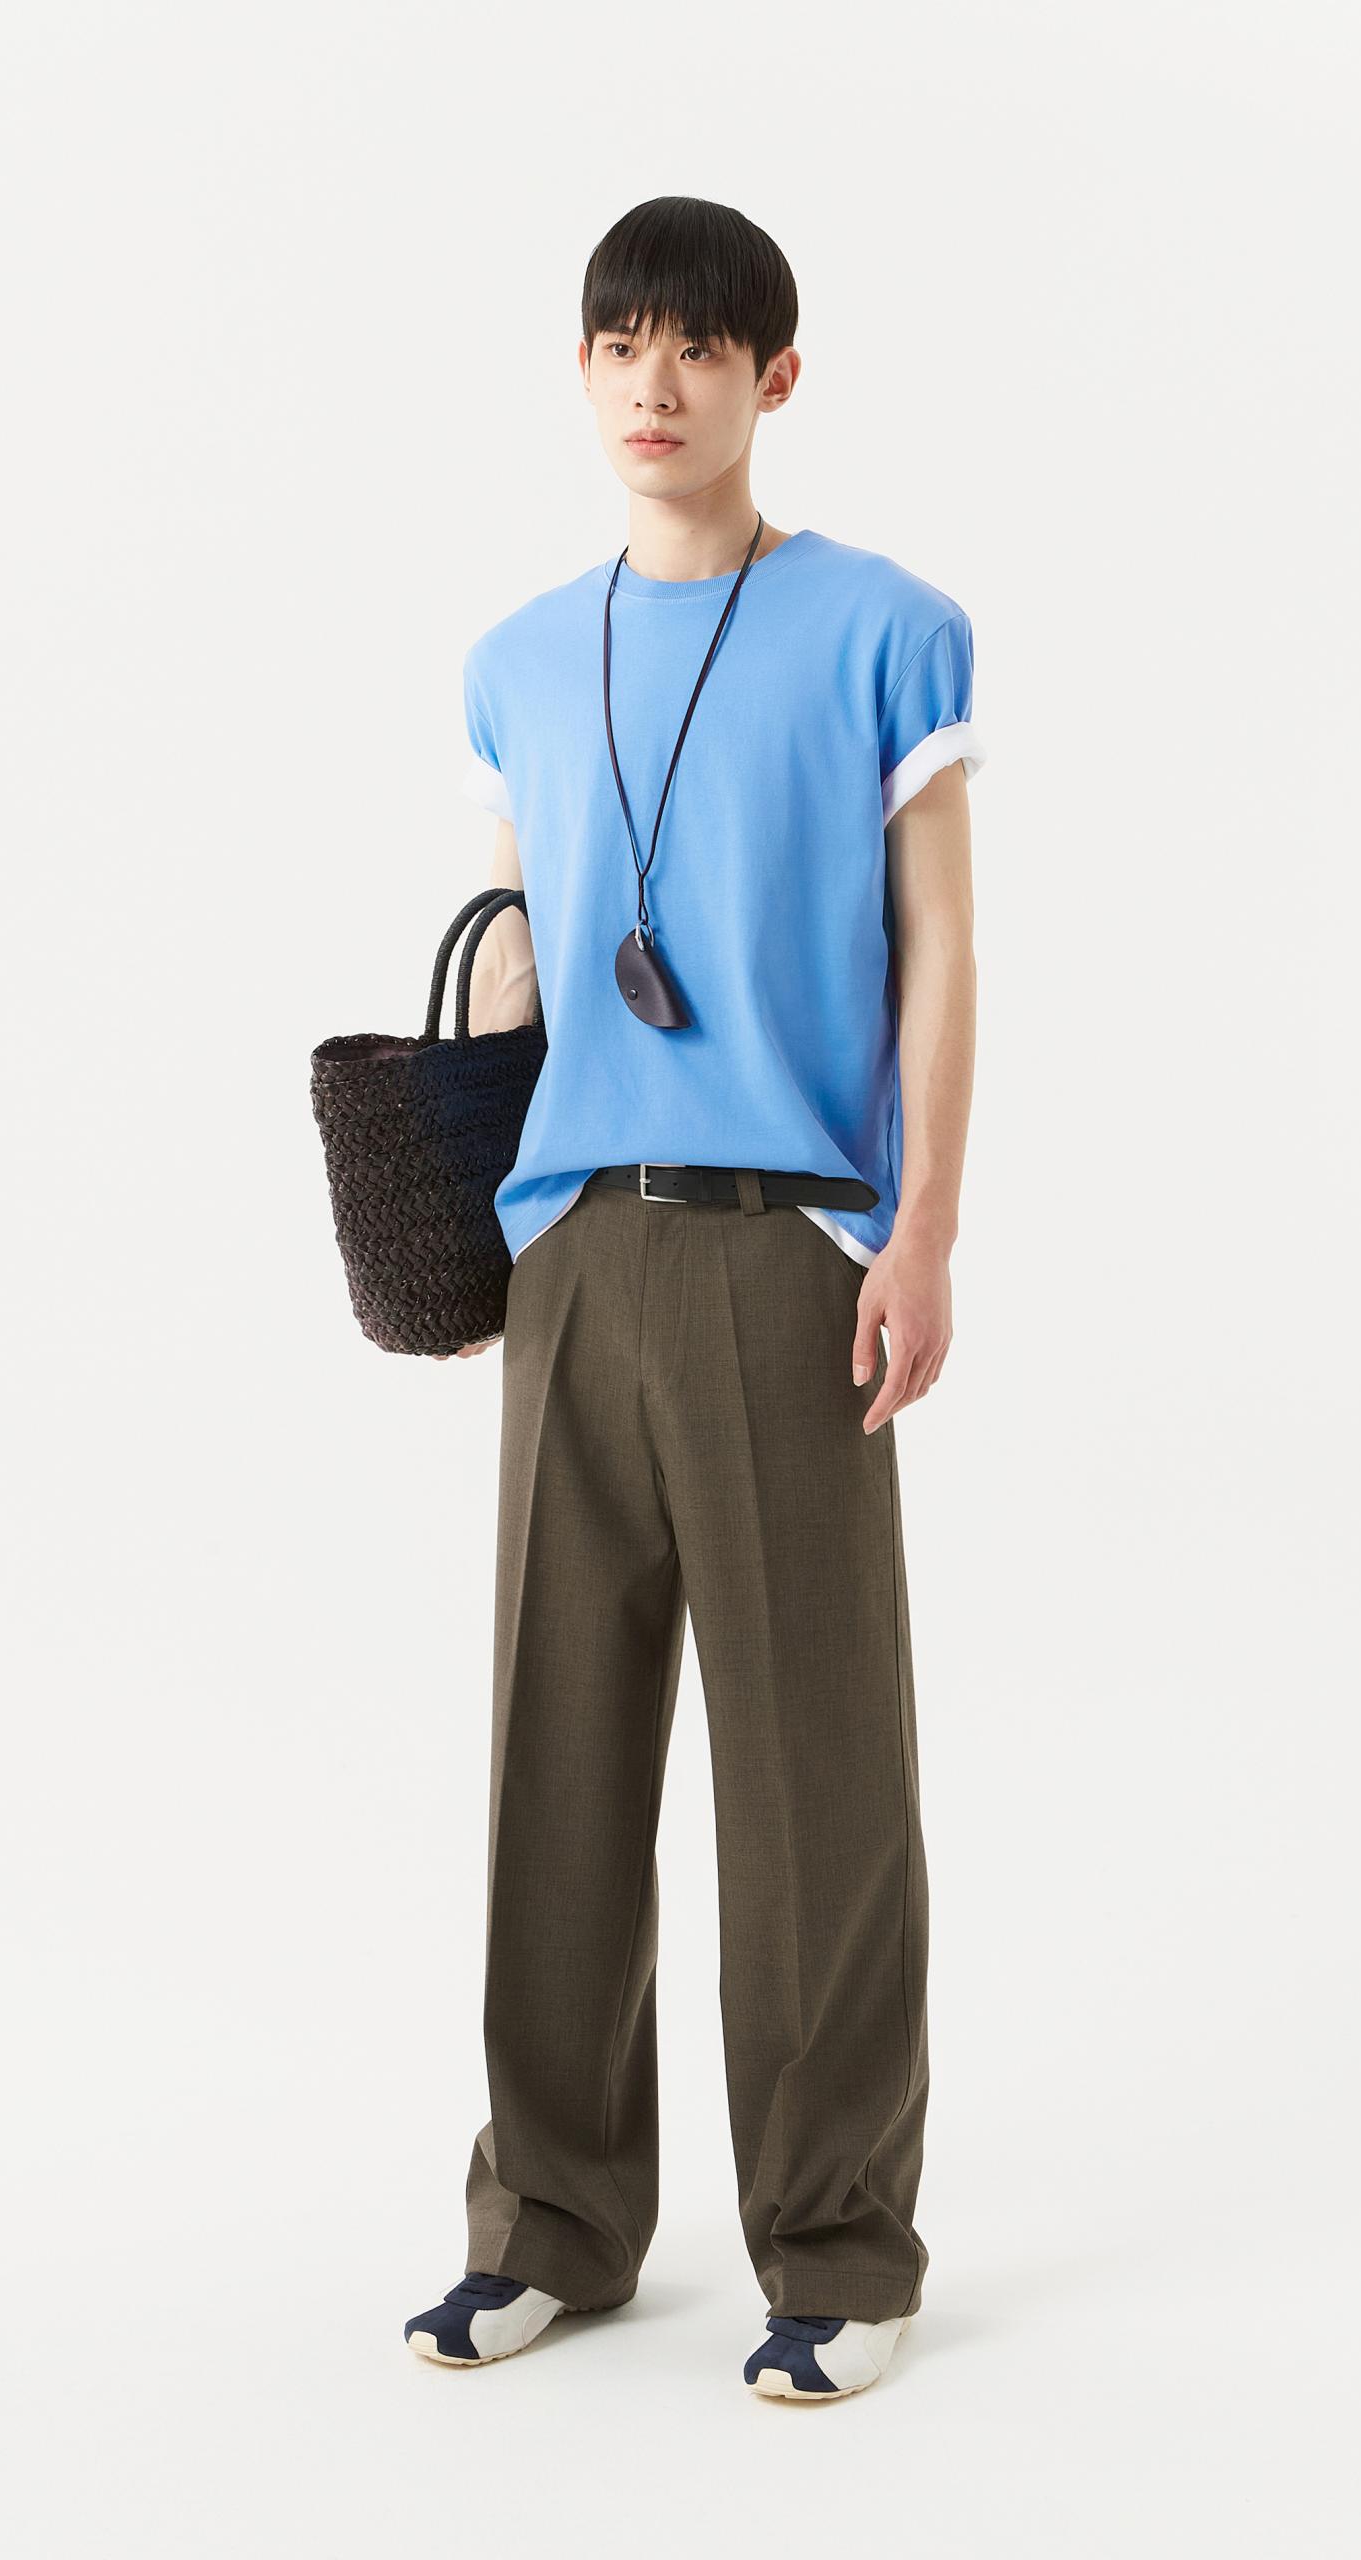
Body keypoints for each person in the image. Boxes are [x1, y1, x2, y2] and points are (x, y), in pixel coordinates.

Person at [403, 195, 983, 2401]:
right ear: (582, 370)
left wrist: (923, 1230)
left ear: (774, 378)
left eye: (701, 348)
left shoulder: (886, 630)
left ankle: (838, 2243)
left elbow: (942, 945)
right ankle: (549, 2219)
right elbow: (512, 945)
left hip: (786, 1238)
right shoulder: (515, 660)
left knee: (814, 1766)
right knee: (554, 1746)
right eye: (622, 343)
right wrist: (473, 1232)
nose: (656, 383)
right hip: (576, 1243)